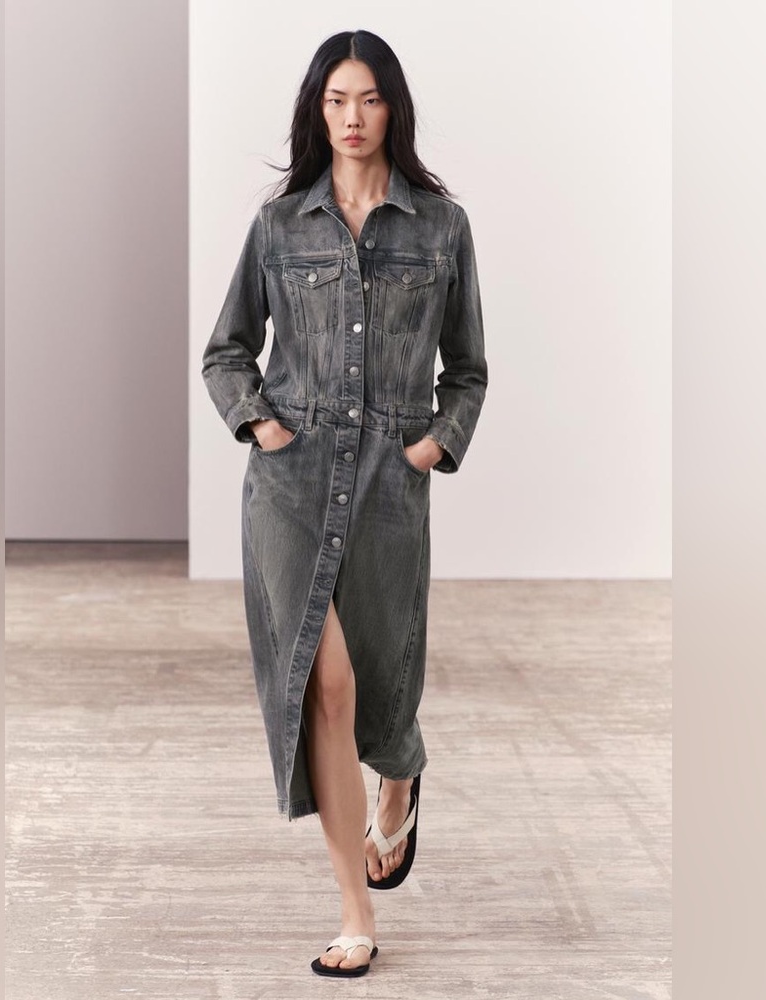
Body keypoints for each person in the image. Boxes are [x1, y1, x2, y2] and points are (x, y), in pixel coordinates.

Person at [201, 28, 487, 978]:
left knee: (385, 684)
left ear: (391, 107)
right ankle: (354, 913)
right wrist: (261, 425)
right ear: (316, 110)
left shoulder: (441, 227)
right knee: (324, 685)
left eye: (367, 99)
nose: (351, 118)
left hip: (387, 486)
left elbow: (468, 370)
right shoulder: (280, 226)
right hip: (289, 484)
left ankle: (400, 777)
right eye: (335, 100)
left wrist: (433, 443)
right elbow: (226, 351)